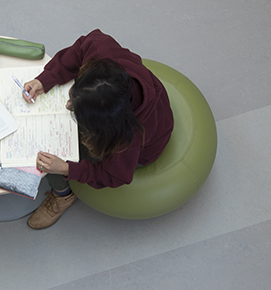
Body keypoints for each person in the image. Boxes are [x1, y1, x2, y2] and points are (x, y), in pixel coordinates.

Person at [22, 29, 174, 228]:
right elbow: (80, 48)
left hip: (141, 151)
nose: (68, 105)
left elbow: (115, 175)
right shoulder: (100, 52)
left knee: (51, 147)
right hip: (119, 122)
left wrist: (67, 168)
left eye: (74, 107)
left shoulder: (127, 138)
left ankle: (63, 195)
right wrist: (46, 79)